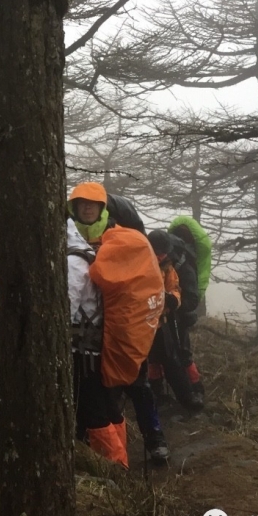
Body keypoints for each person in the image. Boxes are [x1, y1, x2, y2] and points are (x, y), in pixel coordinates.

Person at [68, 183, 169, 463]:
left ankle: (146, 444)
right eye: (81, 203)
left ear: (103, 207)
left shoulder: (121, 238)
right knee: (107, 404)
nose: (87, 208)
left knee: (127, 392)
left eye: (92, 203)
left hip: (118, 334)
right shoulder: (70, 236)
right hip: (96, 339)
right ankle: (113, 460)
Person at [146, 229, 202, 411]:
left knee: (174, 360)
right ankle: (157, 394)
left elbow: (176, 289)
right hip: (144, 322)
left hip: (163, 322)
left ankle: (190, 396)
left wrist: (174, 301)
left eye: (163, 252)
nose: (161, 256)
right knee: (152, 359)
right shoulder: (140, 264)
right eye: (157, 252)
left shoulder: (171, 267)